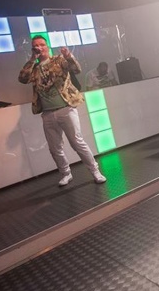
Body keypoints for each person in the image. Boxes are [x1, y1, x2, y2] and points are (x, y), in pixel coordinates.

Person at [18, 36, 106, 187]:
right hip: (47, 113)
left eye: (42, 45)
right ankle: (66, 173)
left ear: (47, 46)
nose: (39, 48)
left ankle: (95, 171)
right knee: (54, 148)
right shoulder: (34, 68)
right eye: (35, 46)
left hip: (66, 108)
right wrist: (33, 58)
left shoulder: (58, 60)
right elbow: (22, 78)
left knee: (77, 142)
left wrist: (68, 56)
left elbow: (77, 69)